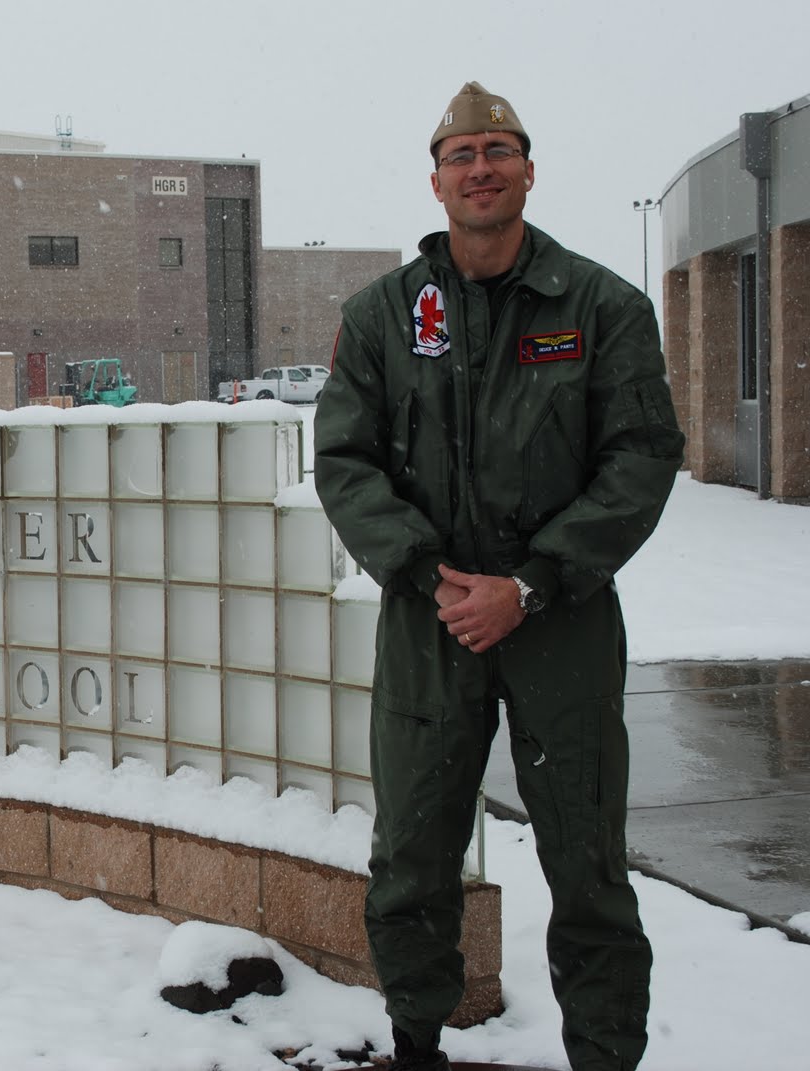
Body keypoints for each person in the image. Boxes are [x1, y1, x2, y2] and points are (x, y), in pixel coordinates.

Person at [313, 83, 685, 1071]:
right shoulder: (385, 317)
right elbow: (345, 462)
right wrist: (427, 572)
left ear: (527, 170)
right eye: (461, 155)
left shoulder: (601, 308)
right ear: (436, 182)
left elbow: (641, 456)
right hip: (430, 621)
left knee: (587, 860)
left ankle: (604, 1054)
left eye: (498, 151)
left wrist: (532, 581)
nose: (480, 169)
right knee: (412, 854)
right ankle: (415, 1044)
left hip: (562, 619)